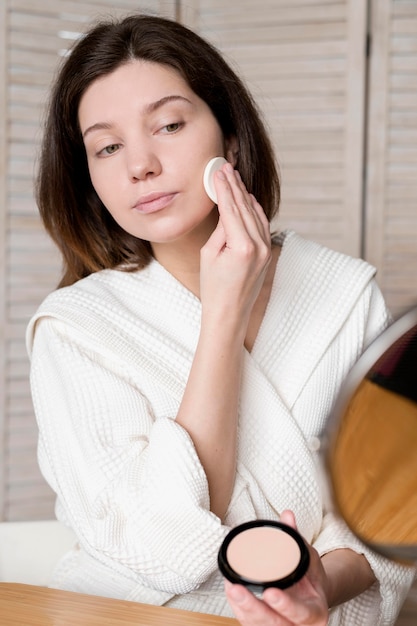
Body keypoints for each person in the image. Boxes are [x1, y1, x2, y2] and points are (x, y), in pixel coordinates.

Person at [26, 12, 415, 626]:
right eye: (108, 146)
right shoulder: (74, 328)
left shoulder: (343, 292)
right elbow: (157, 546)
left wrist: (316, 585)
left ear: (230, 136)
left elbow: (395, 506)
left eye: (170, 125)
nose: (141, 165)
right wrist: (223, 312)